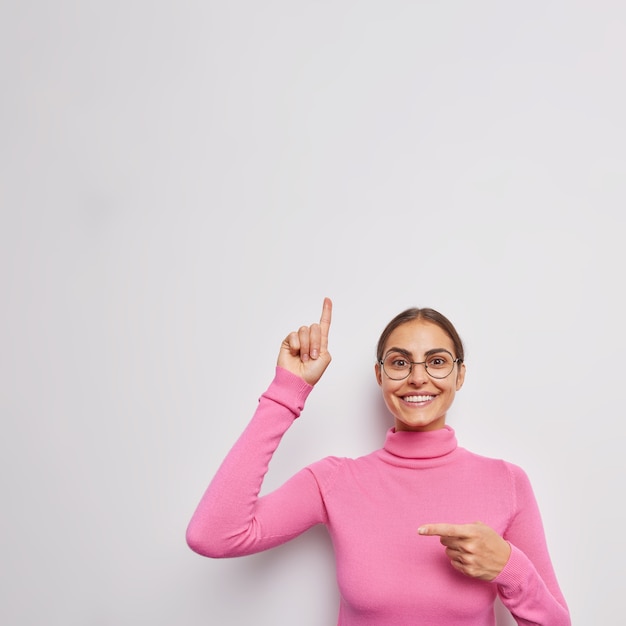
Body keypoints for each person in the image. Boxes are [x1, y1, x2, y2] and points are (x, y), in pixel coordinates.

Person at [186, 298, 570, 626]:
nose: (418, 378)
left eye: (436, 361)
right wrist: (287, 391)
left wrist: (509, 566)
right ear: (380, 375)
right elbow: (213, 535)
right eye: (400, 363)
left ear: (460, 375)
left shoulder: (506, 482)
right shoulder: (335, 481)